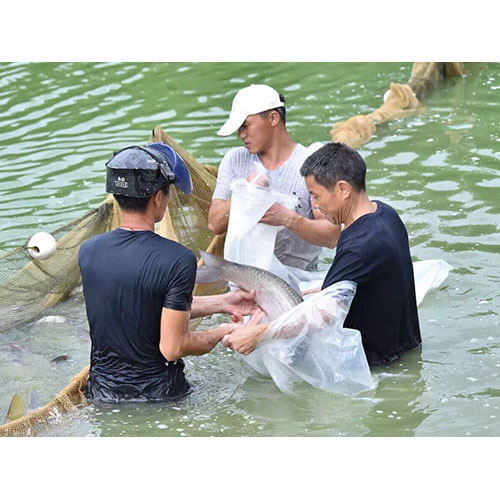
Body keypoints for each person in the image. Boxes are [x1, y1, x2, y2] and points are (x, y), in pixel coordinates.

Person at [78, 143, 252, 403]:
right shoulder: (177, 259)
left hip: (101, 395)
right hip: (160, 397)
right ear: (158, 197)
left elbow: (142, 308)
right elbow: (173, 348)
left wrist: (223, 303)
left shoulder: (89, 251)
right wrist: (222, 332)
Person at [223, 142, 422, 365]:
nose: (315, 205)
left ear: (343, 189)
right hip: (406, 346)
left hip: (376, 364)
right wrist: (313, 292)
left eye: (316, 196)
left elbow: (323, 314)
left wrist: (259, 334)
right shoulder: (385, 214)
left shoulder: (360, 245)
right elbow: (367, 283)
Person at [208, 83, 340, 271]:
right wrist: (245, 190)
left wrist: (287, 219)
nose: (241, 135)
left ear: (273, 118)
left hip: (299, 282)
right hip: (247, 280)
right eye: (239, 128)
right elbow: (214, 224)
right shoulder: (235, 160)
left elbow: (331, 236)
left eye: (245, 126)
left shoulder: (310, 164)